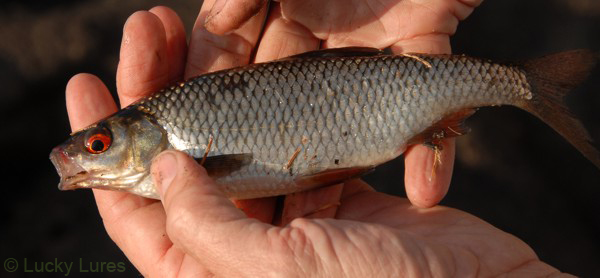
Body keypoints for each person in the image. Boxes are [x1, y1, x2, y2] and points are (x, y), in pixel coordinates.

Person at [65, 0, 570, 276]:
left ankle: (529, 84)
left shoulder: (174, 140)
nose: (88, 153)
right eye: (96, 145)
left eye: (98, 146)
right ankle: (524, 83)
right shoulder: (171, 120)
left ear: (150, 137)